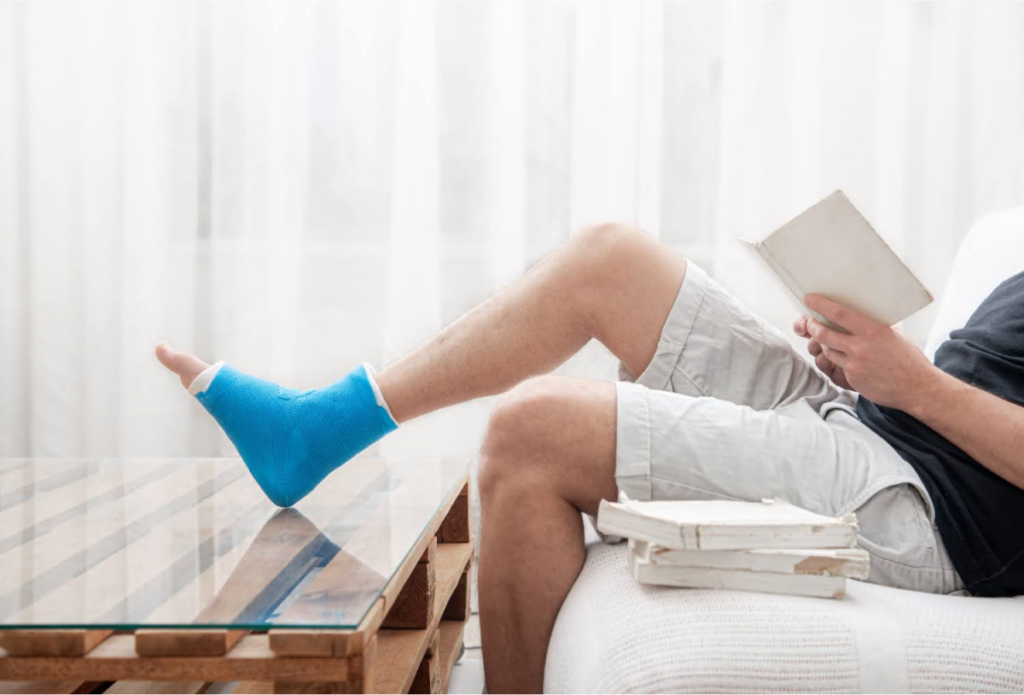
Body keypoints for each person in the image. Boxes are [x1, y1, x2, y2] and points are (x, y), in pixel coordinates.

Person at [156, 222, 1024, 694]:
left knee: (533, 429)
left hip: (933, 508)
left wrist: (913, 385)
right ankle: (322, 424)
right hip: (883, 423)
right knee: (609, 262)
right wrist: (870, 360)